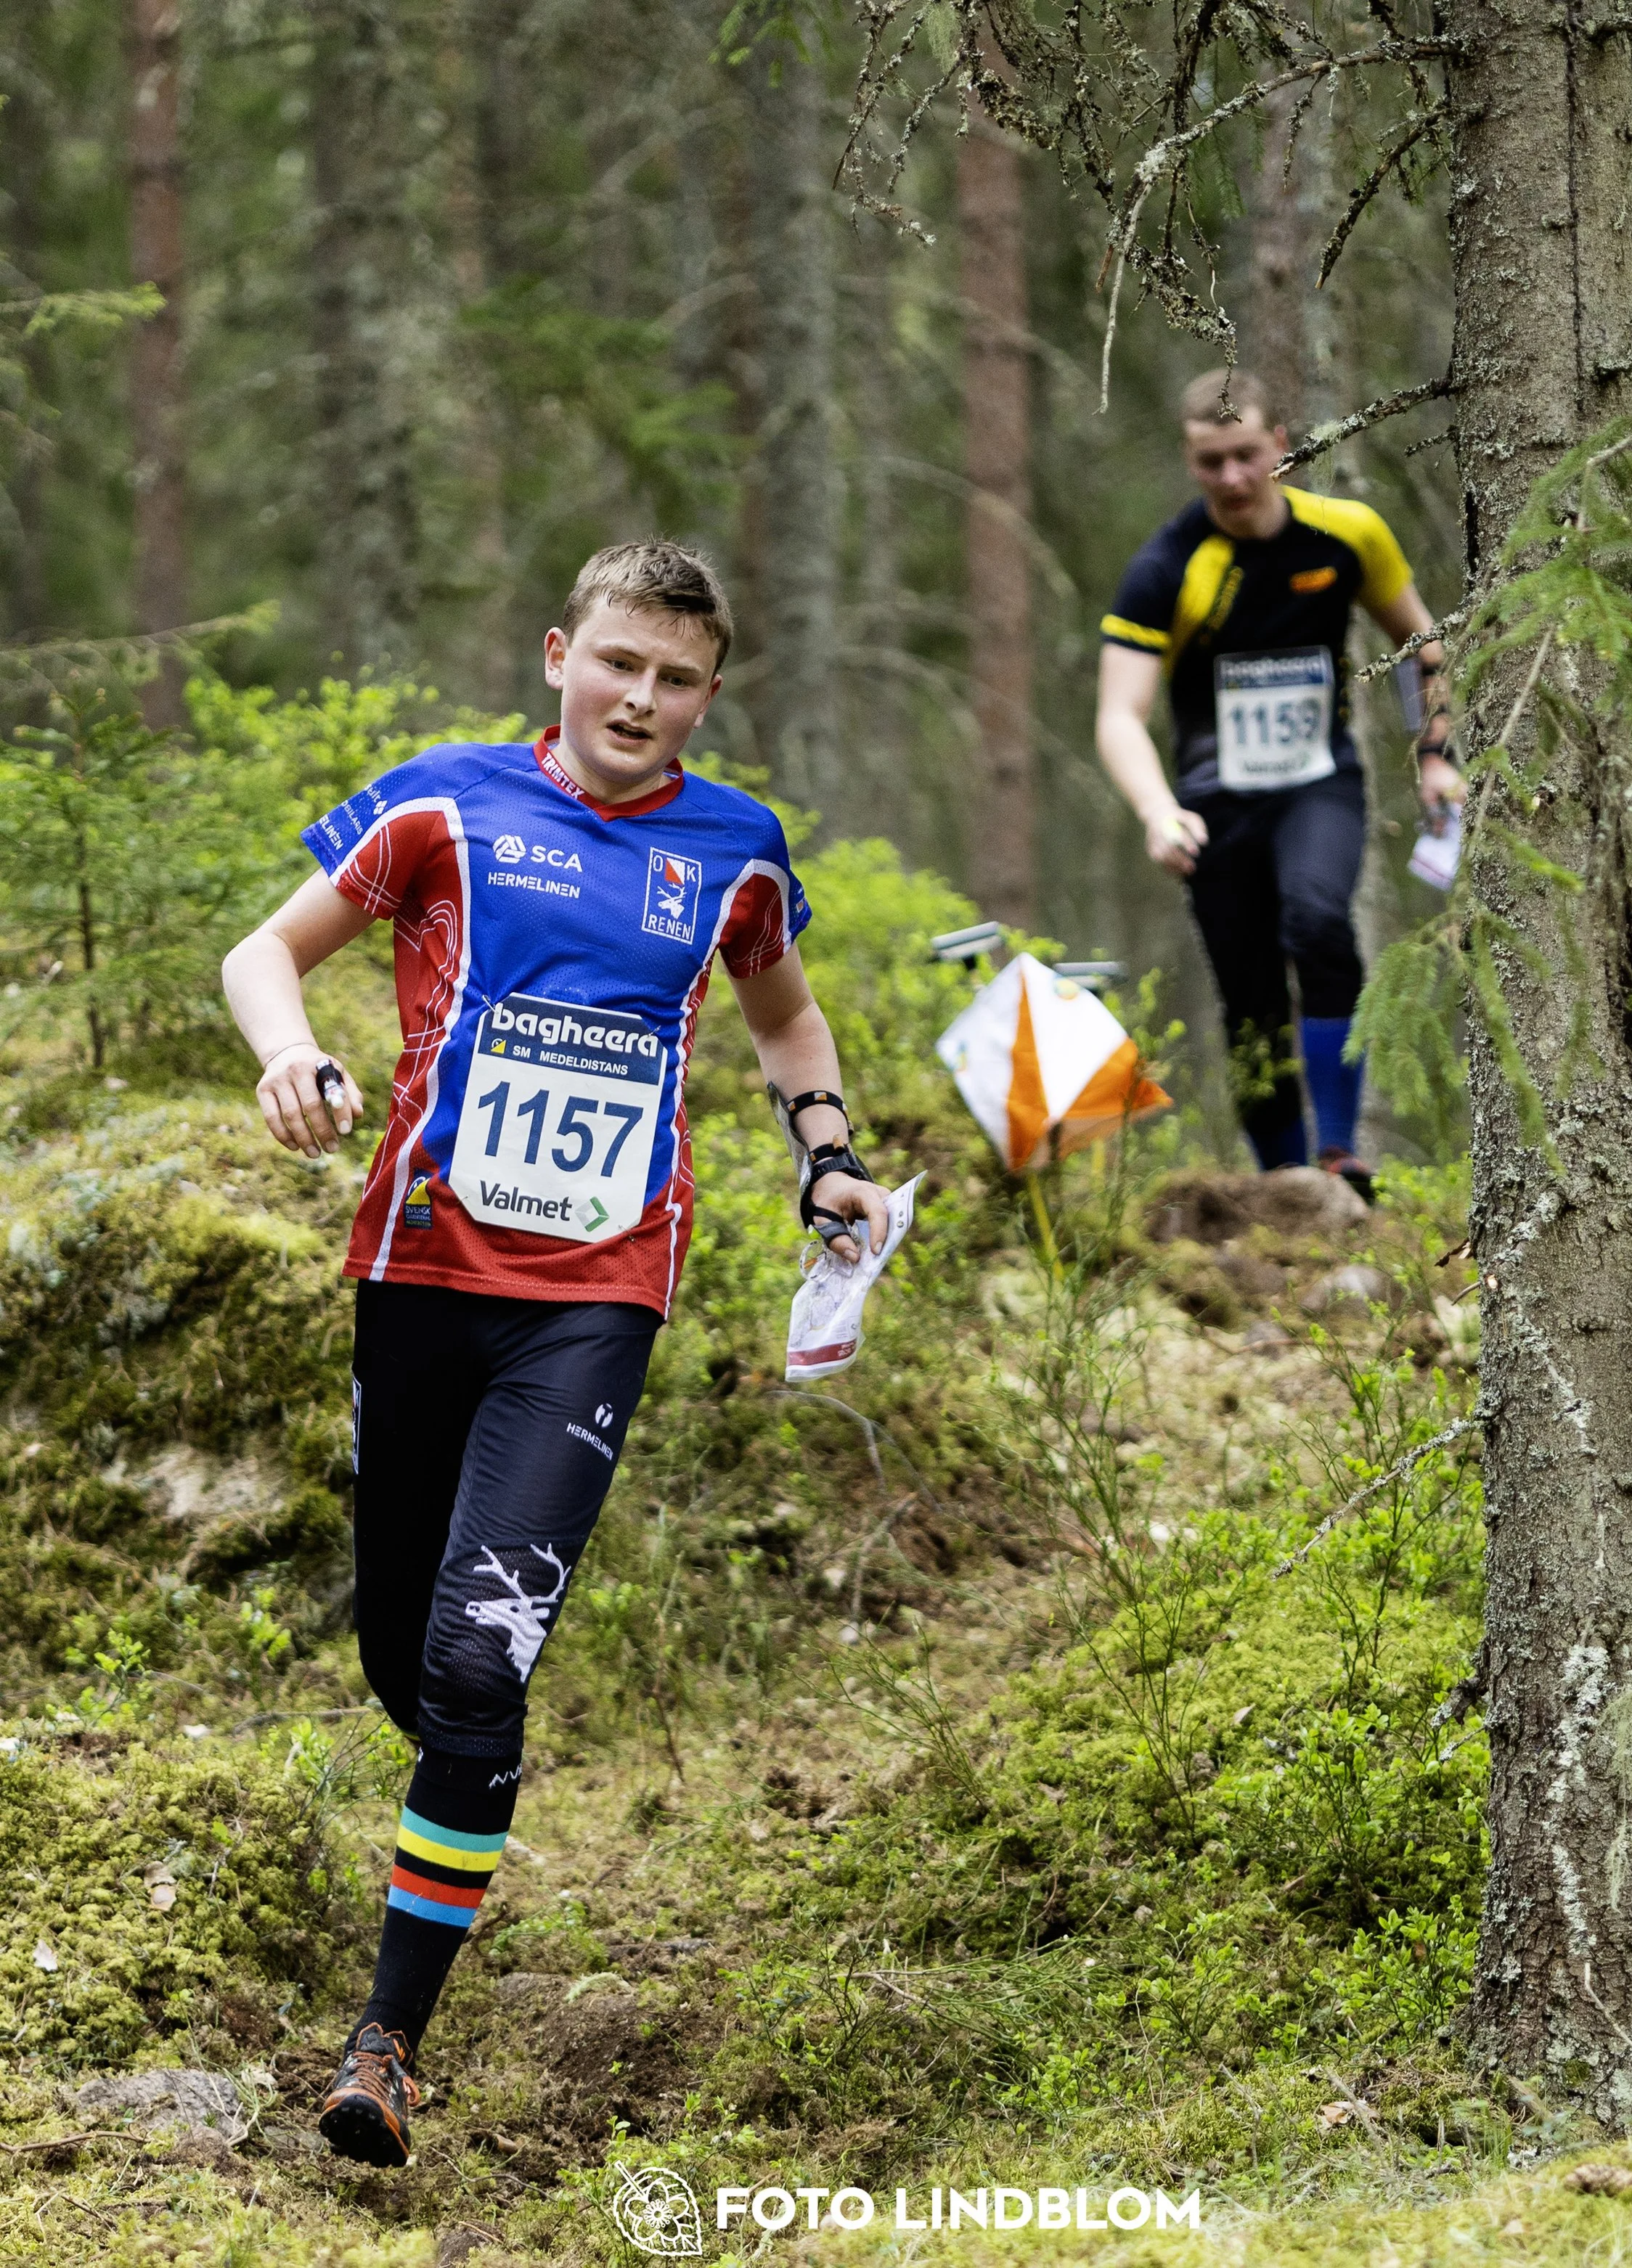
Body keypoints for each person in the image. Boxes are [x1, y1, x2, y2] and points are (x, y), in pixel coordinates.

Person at [221, 539, 887, 2169]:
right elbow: (263, 952)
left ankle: (385, 2045)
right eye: (617, 666)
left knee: (474, 1663)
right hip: (418, 1266)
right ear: (556, 657)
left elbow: (783, 1011)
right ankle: (465, 1777)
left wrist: (824, 1146)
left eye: (674, 681)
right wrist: (292, 1053)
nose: (639, 702)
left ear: (708, 696)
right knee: (408, 1655)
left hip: (596, 1295)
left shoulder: (731, 848)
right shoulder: (444, 805)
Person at [1096, 369, 1459, 1195]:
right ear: (1191, 461)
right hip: (1212, 803)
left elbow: (1423, 644)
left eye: (1244, 456)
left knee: (1318, 919)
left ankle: (1339, 1153)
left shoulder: (1347, 535)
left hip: (1316, 784)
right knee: (1249, 993)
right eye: (1209, 461)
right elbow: (1119, 712)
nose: (1229, 478)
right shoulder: (1167, 564)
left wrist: (1436, 755)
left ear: (1281, 446)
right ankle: (1282, 1185)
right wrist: (1158, 811)